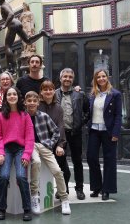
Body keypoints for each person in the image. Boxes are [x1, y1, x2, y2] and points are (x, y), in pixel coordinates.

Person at [25, 91, 71, 215]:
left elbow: (56, 131)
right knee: (37, 162)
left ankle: (64, 198)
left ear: (38, 102)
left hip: (44, 146)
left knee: (57, 170)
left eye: (34, 101)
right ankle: (35, 195)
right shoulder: (22, 116)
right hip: (30, 145)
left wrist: (51, 143)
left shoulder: (44, 116)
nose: (32, 103)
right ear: (25, 103)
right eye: (29, 101)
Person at [0, 87, 34, 221]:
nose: (12, 96)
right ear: (6, 98)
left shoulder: (25, 115)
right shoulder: (0, 116)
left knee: (21, 176)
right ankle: (1, 208)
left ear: (18, 96)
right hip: (6, 150)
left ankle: (27, 209)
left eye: (14, 94)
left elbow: (30, 137)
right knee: (3, 176)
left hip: (21, 149)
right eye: (9, 94)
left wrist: (27, 155)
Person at [87, 69, 122, 201]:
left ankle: (107, 189)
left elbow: (118, 115)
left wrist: (116, 133)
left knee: (109, 160)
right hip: (94, 130)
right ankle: (96, 187)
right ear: (95, 79)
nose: (101, 79)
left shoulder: (115, 94)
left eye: (103, 76)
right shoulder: (92, 94)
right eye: (98, 77)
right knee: (91, 157)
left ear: (107, 78)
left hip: (108, 131)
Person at [55, 68, 89, 200]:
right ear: (60, 78)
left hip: (75, 133)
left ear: (73, 79)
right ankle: (63, 189)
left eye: (70, 77)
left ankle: (79, 189)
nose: (67, 79)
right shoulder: (54, 94)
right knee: (61, 163)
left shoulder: (79, 94)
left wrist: (80, 123)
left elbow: (87, 111)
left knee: (77, 161)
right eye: (65, 76)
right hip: (59, 135)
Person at [38, 80, 70, 198]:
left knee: (65, 171)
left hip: (55, 143)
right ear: (41, 92)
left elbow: (61, 126)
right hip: (40, 144)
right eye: (45, 89)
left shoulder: (58, 108)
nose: (48, 91)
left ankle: (62, 192)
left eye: (50, 89)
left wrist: (60, 145)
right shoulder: (37, 106)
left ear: (53, 91)